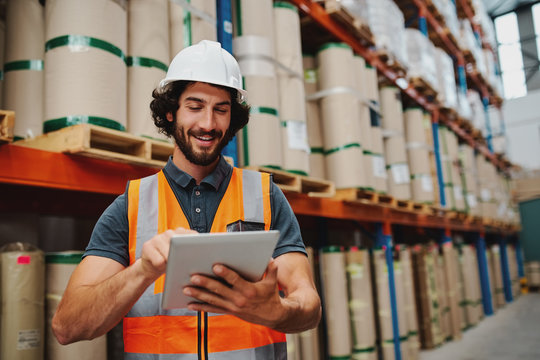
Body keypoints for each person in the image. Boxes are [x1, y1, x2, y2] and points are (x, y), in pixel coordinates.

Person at [52, 40, 321, 359]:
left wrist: (276, 312)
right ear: (170, 111)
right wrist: (143, 270)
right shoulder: (132, 205)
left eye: (221, 109)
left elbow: (309, 306)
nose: (208, 123)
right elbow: (67, 327)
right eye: (195, 106)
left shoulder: (264, 195)